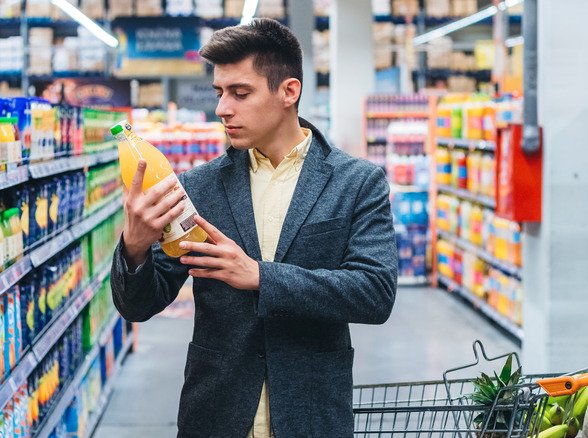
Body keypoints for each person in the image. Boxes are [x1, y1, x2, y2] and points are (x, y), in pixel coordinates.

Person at [110, 18, 398, 438]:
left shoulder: (356, 183)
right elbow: (139, 306)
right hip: (216, 414)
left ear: (289, 92)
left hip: (311, 415)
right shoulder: (197, 187)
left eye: (240, 93)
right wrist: (134, 248)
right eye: (220, 93)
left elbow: (375, 293)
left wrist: (261, 277)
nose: (223, 108)